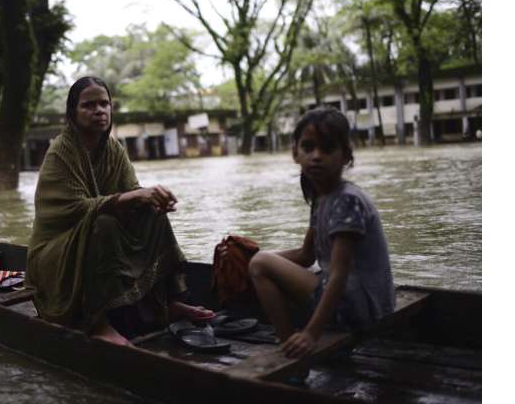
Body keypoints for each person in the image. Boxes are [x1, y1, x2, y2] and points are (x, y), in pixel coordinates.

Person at [25, 76, 214, 346]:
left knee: (153, 213)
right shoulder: (60, 153)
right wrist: (133, 196)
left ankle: (169, 303)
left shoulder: (114, 149)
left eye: (104, 103)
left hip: (96, 231)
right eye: (89, 105)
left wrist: (153, 198)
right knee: (104, 224)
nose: (99, 110)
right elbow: (75, 209)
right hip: (56, 250)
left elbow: (133, 192)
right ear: (73, 113)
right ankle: (98, 323)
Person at [246, 107, 395, 359]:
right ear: (296, 153)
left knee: (260, 265)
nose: (316, 156)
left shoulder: (346, 200)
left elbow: (339, 272)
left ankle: (290, 348)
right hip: (359, 300)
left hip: (359, 309)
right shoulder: (322, 198)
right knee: (259, 261)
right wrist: (249, 257)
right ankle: (295, 338)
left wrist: (311, 334)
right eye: (308, 147)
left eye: (327, 149)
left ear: (346, 155)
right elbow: (306, 256)